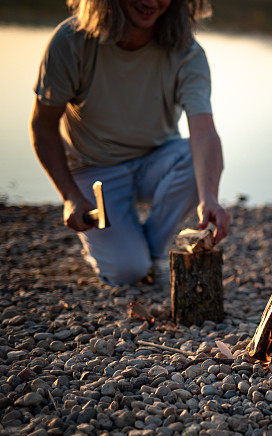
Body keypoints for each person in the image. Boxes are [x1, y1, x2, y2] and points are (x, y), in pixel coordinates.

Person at [30, 0, 230, 286]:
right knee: (128, 273)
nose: (151, 2)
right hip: (93, 171)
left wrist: (209, 197)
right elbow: (43, 125)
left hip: (156, 161)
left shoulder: (188, 52)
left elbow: (204, 132)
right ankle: (133, 256)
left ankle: (150, 250)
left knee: (192, 156)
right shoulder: (71, 40)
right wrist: (69, 196)